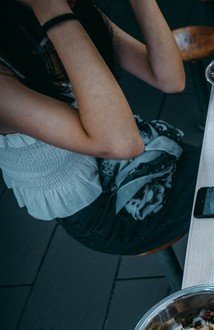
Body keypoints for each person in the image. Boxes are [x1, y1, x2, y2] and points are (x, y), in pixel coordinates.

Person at [0, 0, 199, 255]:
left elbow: (170, 79)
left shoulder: (70, 10)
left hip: (142, 157)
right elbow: (122, 144)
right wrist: (51, 9)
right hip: (106, 210)